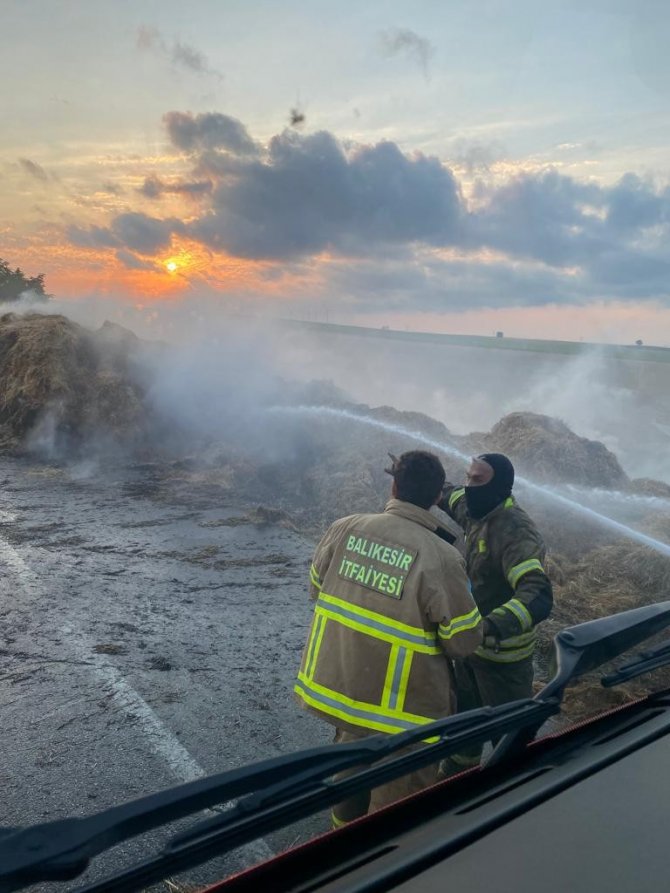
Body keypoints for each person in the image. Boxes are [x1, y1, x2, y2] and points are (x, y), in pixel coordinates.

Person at [295, 450, 483, 828]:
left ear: (394, 486)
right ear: (435, 498)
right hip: (405, 717)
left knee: (347, 793)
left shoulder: (344, 528)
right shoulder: (442, 556)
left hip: (347, 694)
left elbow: (316, 588)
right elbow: (463, 641)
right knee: (396, 818)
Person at [438, 453, 553, 768]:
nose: (469, 485)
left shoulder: (514, 531)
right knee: (462, 734)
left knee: (510, 748)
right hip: (469, 654)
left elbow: (537, 594)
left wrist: (488, 626)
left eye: (478, 479)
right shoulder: (477, 510)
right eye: (468, 476)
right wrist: (424, 482)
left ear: (500, 486)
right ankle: (455, 785)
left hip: (503, 664)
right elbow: (453, 497)